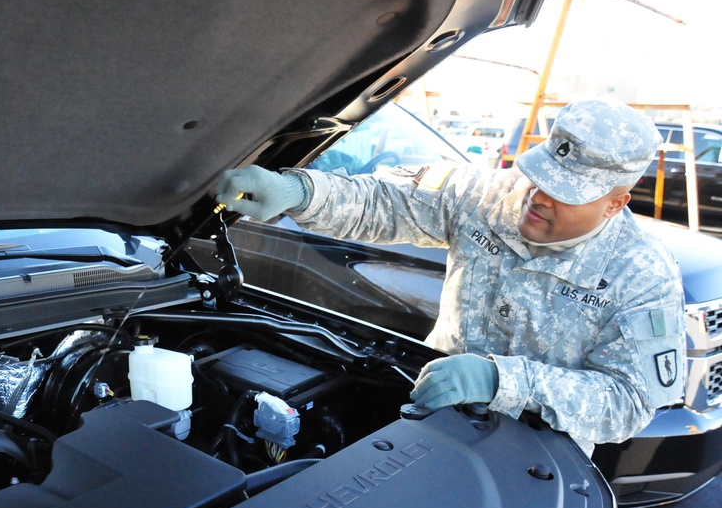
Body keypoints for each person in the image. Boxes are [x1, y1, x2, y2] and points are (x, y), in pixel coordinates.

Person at [216, 98, 685, 455]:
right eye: (541, 176)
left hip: (533, 460)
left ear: (615, 203)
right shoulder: (487, 195)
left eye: (564, 193)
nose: (539, 196)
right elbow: (384, 202)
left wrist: (502, 381)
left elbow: (628, 401)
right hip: (429, 417)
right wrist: (300, 192)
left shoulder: (642, 276)